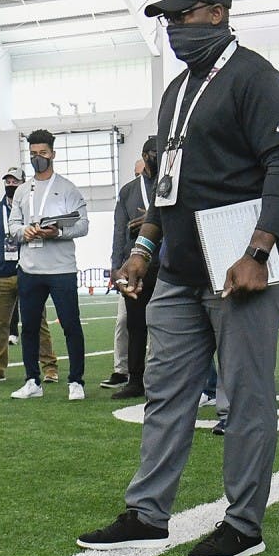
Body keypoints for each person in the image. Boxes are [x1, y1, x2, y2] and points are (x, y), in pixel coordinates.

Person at [76, 0, 279, 556]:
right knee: (165, 393)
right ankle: (147, 515)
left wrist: (257, 253)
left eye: (183, 17)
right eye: (167, 20)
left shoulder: (257, 78)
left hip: (236, 263)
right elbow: (167, 181)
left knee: (245, 399)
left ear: (217, 14)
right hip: (178, 267)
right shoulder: (177, 90)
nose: (173, 29)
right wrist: (143, 248)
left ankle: (244, 525)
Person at [8, 129, 90, 401]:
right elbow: (13, 226)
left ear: (53, 154)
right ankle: (32, 381)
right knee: (29, 328)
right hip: (29, 269)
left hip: (61, 270)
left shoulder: (67, 188)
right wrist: (26, 232)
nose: (38, 158)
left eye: (42, 153)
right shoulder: (22, 191)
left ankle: (76, 381)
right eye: (33, 154)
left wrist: (58, 232)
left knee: (71, 326)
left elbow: (83, 225)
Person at [0, 169, 53, 384]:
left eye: (14, 181)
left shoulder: (34, 209)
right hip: (1, 274)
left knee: (38, 323)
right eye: (7, 181)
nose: (10, 184)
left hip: (30, 272)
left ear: (24, 183)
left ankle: (49, 368)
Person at [109, 138, 162, 400]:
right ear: (144, 155)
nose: (157, 157)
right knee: (135, 325)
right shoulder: (128, 191)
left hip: (166, 264)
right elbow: (119, 230)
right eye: (153, 153)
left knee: (166, 325)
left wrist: (153, 224)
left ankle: (163, 379)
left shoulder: (171, 184)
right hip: (135, 266)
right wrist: (114, 266)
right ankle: (135, 380)